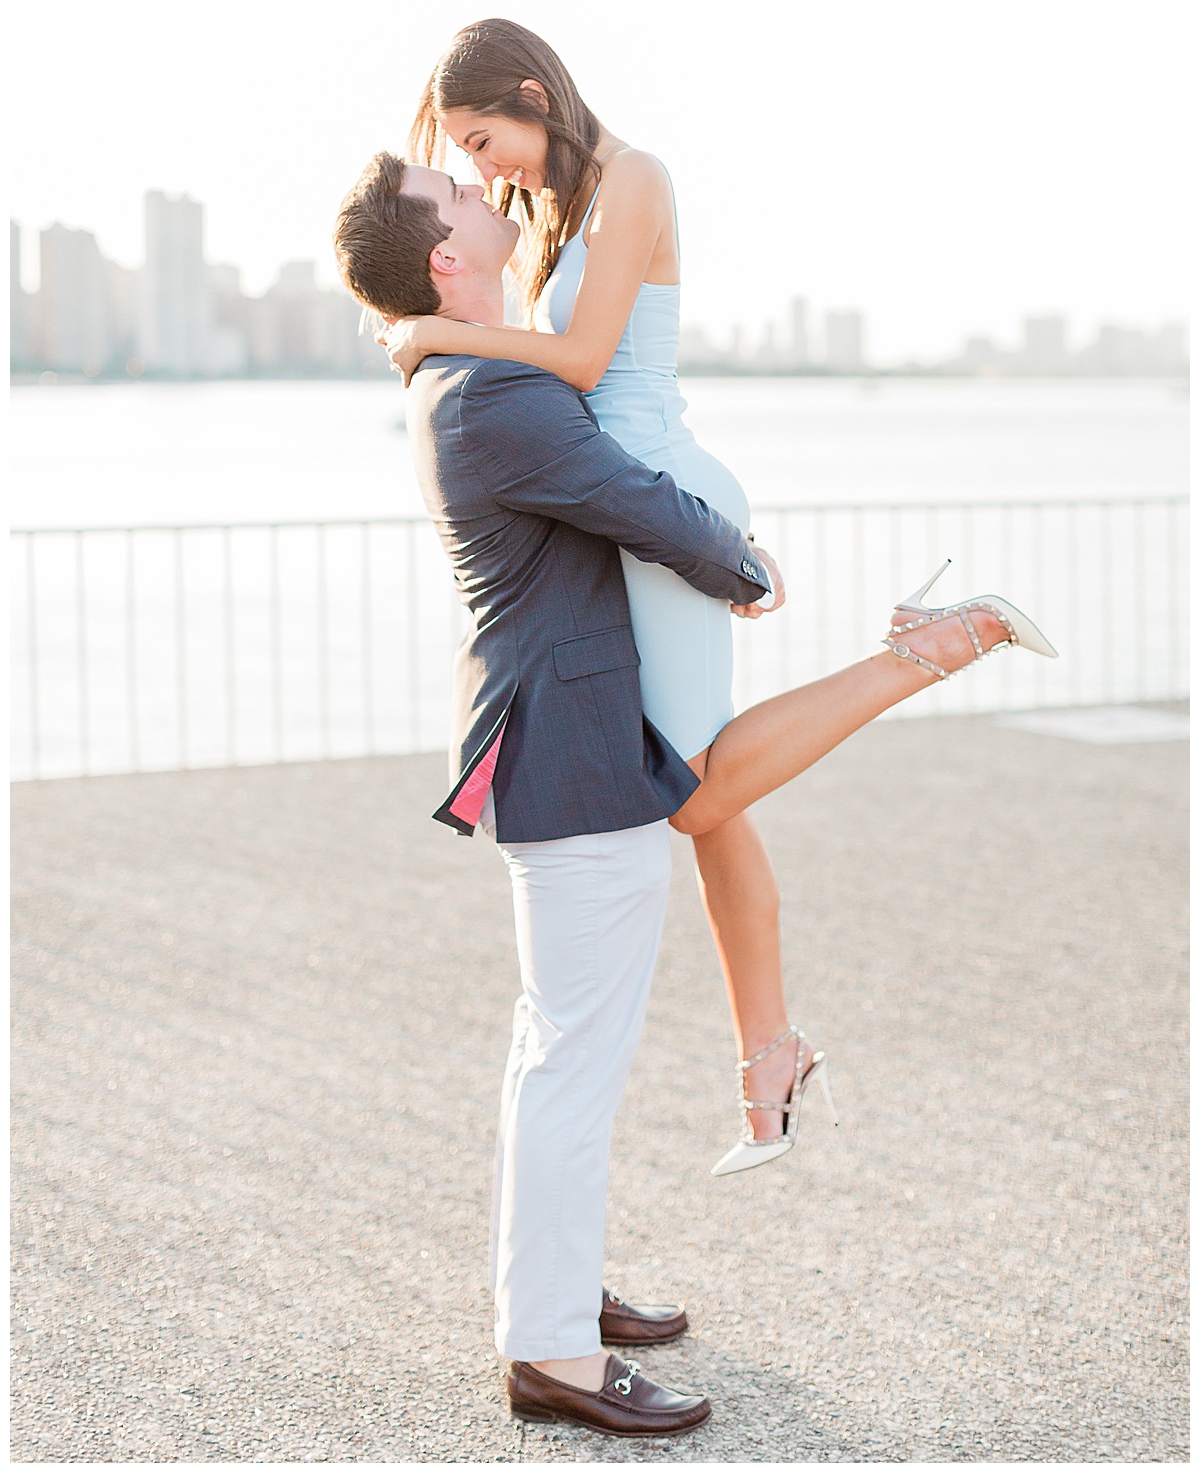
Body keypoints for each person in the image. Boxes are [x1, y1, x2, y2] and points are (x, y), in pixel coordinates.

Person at [332, 150, 1055, 1436]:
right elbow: (627, 497)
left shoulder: (464, 368)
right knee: (570, 1057)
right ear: (445, 259)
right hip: (569, 755)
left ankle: (552, 1288)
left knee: (552, 1047)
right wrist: (741, 558)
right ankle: (550, 1348)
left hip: (557, 740)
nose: (482, 194)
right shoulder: (488, 390)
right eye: (456, 199)